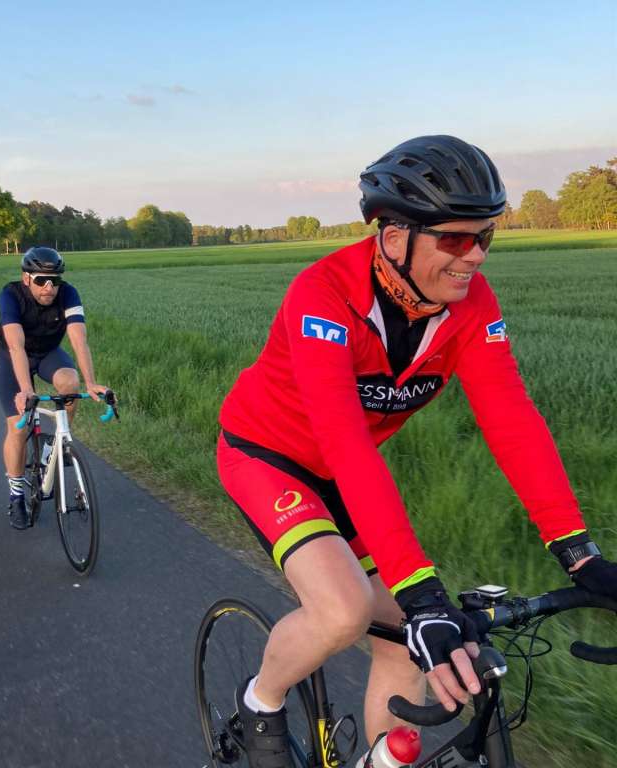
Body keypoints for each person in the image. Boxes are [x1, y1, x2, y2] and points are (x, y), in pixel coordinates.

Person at [216, 135, 617, 767]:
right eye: (455, 239)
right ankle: (260, 700)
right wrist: (422, 593)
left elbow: (512, 421)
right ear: (394, 235)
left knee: (409, 640)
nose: (474, 257)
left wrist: (578, 551)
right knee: (345, 611)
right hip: (268, 457)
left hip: (345, 476)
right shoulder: (323, 295)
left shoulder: (471, 304)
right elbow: (346, 442)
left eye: (486, 237)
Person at [0, 246, 111, 530]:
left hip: (48, 353)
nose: (49, 287)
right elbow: (16, 346)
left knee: (70, 383)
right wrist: (26, 390)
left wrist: (90, 382)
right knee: (18, 427)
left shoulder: (68, 294)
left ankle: (54, 444)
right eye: (41, 280)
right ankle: (16, 495)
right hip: (15, 357)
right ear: (26, 278)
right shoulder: (11, 295)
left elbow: (78, 340)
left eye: (55, 280)